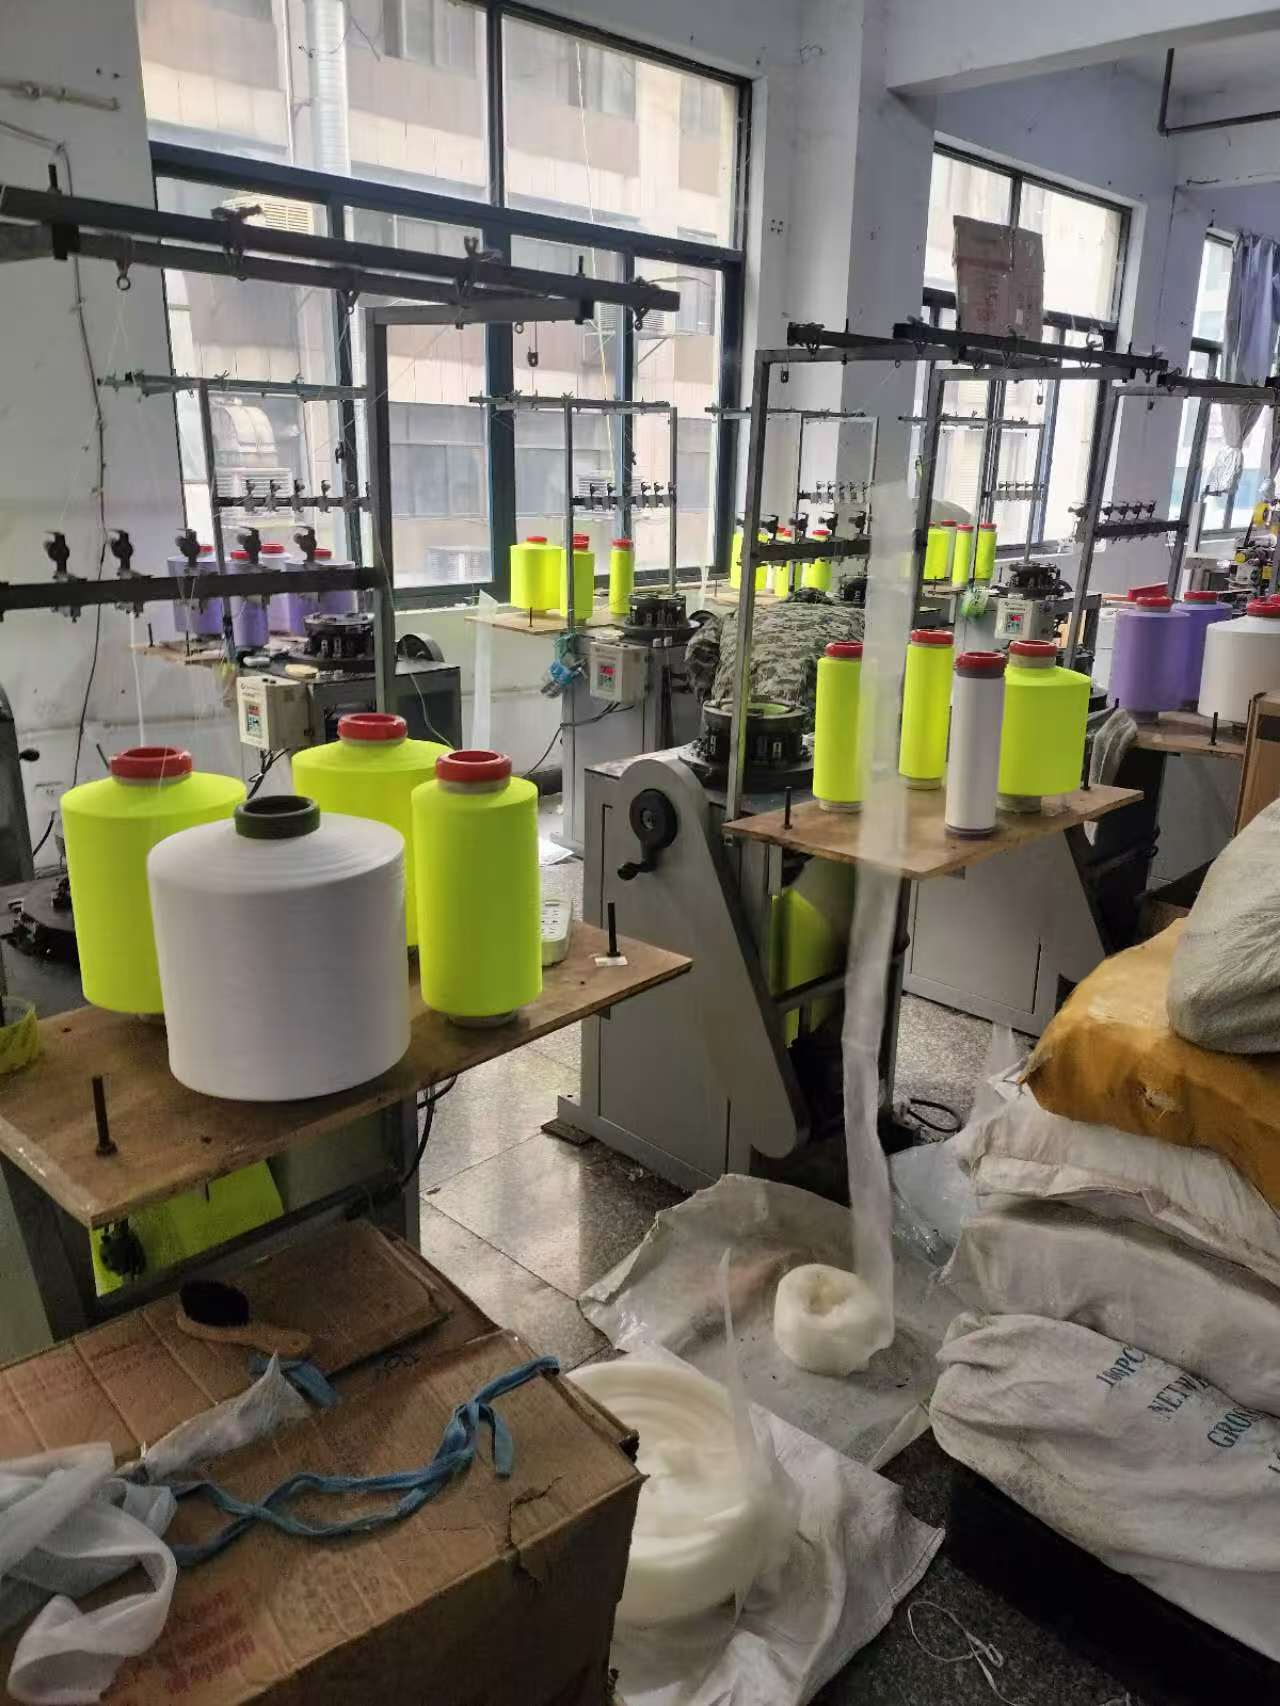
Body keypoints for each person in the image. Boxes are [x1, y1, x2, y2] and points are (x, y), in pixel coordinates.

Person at [686, 587, 865, 731]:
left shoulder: (743, 613)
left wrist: (712, 703)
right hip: (812, 725)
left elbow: (697, 647)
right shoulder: (856, 617)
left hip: (732, 715)